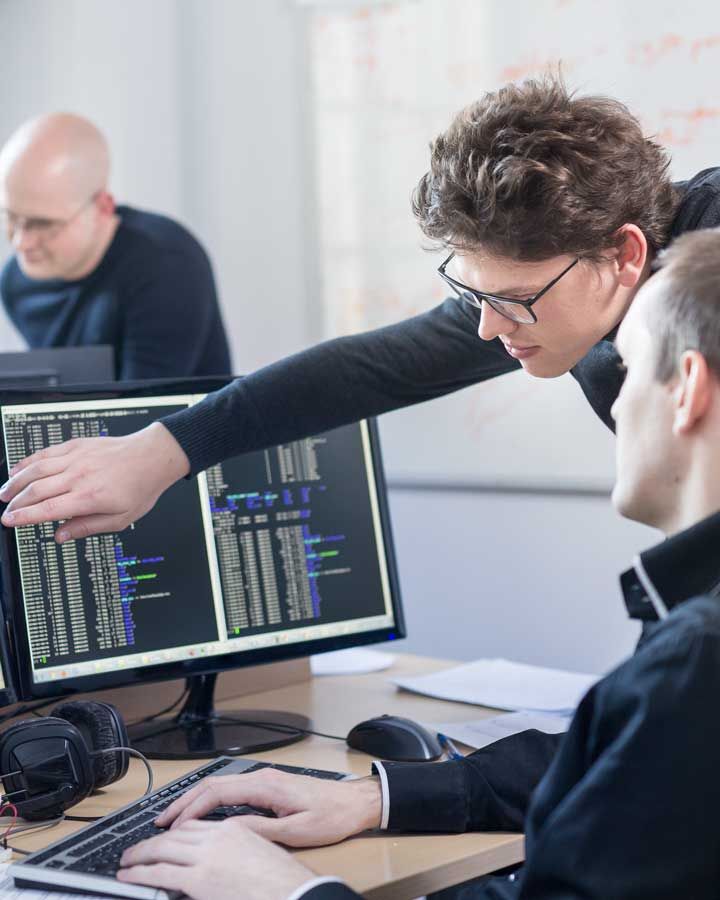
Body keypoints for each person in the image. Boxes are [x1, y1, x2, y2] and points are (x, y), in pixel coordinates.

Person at [0, 75, 718, 834]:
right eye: (476, 294)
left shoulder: (698, 296)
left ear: (625, 257)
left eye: (513, 300)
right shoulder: (563, 276)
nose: (485, 331)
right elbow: (375, 367)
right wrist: (165, 449)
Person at [115, 227, 720, 898]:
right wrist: (382, 798)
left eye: (627, 368)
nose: (611, 401)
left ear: (687, 388)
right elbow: (628, 767)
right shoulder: (686, 666)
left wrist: (290, 892)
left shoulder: (695, 660)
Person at [0, 112, 231, 379]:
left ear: (103, 207)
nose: (21, 242)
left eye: (43, 224)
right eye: (10, 217)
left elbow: (147, 411)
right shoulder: (16, 282)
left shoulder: (166, 263)